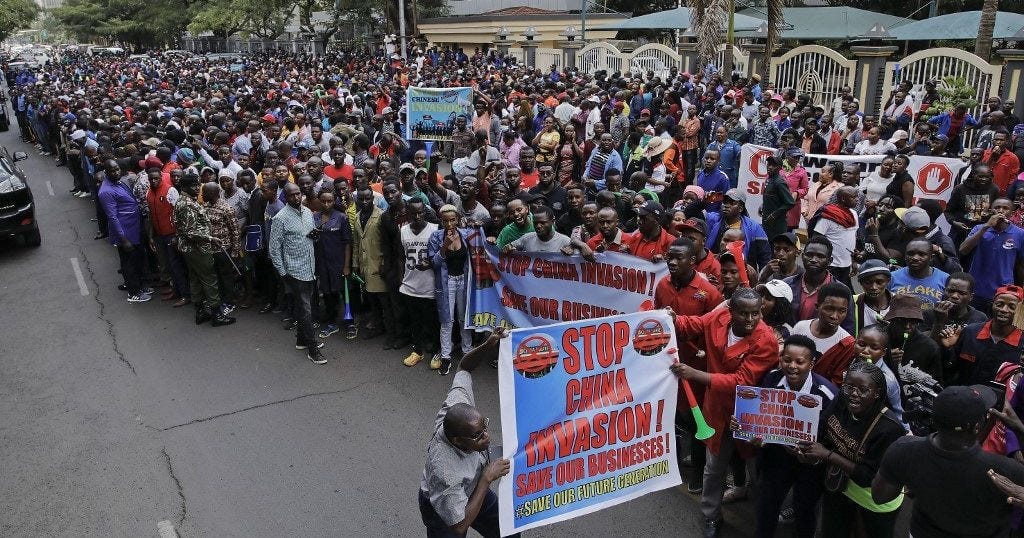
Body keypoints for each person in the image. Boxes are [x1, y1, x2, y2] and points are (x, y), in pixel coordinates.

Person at [669, 287, 778, 537]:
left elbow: (742, 379)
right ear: (730, 311)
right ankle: (711, 516)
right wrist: (672, 318)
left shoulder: (766, 340)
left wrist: (695, 374)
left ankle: (763, 521)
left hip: (751, 414)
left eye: (756, 314)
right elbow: (693, 324)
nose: (750, 320)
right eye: (744, 314)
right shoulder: (718, 318)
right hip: (718, 410)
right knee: (714, 468)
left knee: (757, 469)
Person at [872, 384, 1024, 538]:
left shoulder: (904, 450)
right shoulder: (1005, 471)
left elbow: (880, 496)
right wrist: (1021, 430)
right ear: (977, 426)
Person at [418, 329, 518, 538]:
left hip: (472, 487)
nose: (487, 436)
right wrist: (486, 479)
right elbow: (459, 525)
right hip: (445, 509)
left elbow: (464, 367)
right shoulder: (446, 470)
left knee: (508, 532)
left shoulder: (458, 405)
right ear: (458, 440)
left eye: (485, 427)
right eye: (478, 435)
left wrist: (489, 344)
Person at [796, 361, 905, 538]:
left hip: (873, 500)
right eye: (849, 387)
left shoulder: (890, 429)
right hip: (840, 487)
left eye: (863, 390)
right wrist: (806, 450)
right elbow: (822, 424)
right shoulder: (842, 398)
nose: (854, 395)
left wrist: (826, 454)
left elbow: (867, 477)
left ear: (877, 393)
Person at [744, 334, 837, 538]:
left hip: (810, 464)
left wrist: (814, 452)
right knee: (767, 504)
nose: (792, 366)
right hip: (776, 456)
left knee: (804, 508)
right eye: (787, 360)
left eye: (799, 361)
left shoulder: (827, 393)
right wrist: (749, 429)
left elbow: (833, 435)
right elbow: (758, 417)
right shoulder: (770, 379)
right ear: (780, 358)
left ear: (811, 363)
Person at [654, 237, 724, 491]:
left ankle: (697, 473)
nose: (671, 262)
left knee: (698, 421)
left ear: (692, 261)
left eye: (678, 258)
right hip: (667, 365)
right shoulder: (661, 285)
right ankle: (669, 463)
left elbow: (717, 330)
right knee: (672, 414)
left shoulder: (709, 292)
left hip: (697, 368)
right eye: (669, 257)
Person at [175, 173, 236, 327]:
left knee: (195, 279)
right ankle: (217, 314)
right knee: (210, 280)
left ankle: (200, 312)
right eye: (193, 185)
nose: (197, 188)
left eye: (198, 185)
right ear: (184, 187)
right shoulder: (187, 204)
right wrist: (210, 238)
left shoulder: (188, 201)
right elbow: (190, 232)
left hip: (192, 248)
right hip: (198, 248)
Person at [269, 182, 321, 361]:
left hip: (310, 267)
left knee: (305, 306)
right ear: (286, 197)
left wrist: (315, 235)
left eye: (298, 194)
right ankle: (313, 349)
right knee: (306, 309)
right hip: (294, 270)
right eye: (291, 195)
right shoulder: (280, 218)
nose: (296, 197)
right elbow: (274, 249)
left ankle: (301, 340)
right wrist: (283, 273)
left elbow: (308, 234)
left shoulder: (307, 212)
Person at [428, 205, 473, 376]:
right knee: (447, 321)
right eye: (445, 220)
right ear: (441, 221)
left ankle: (467, 353)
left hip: (463, 280)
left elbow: (480, 246)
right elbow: (435, 263)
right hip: (447, 283)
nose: (449, 224)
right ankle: (446, 357)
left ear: (458, 219)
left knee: (464, 319)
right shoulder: (435, 237)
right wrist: (444, 246)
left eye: (452, 220)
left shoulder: (467, 234)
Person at [948, 285, 1024, 385]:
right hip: (963, 395)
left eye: (1012, 307)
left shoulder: (1022, 344)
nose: (1004, 310)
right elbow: (950, 368)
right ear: (992, 305)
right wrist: (948, 348)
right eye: (999, 304)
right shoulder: (970, 332)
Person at [98, 159, 150, 303]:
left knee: (138, 259)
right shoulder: (106, 192)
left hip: (135, 227)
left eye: (117, 169)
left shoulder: (120, 182)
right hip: (125, 232)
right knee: (129, 263)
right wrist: (123, 239)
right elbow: (112, 217)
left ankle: (139, 285)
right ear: (106, 172)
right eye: (112, 171)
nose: (116, 172)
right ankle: (133, 293)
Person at [960, 197, 1024, 313]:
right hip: (976, 289)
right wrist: (986, 227)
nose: (1000, 211)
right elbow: (963, 250)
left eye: (1005, 208)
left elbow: (1021, 265)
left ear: (1012, 213)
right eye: (997, 207)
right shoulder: (979, 228)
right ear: (990, 211)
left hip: (1003, 291)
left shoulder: (1020, 234)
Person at [399, 199, 440, 369]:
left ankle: (437, 351)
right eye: (413, 213)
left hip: (430, 285)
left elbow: (442, 256)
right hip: (410, 285)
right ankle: (417, 351)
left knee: (433, 322)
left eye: (420, 212)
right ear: (407, 213)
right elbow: (400, 256)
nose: (417, 216)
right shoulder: (402, 231)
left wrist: (431, 264)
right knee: (415, 321)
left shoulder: (435, 229)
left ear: (425, 211)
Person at [791, 282, 855, 386]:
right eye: (829, 309)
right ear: (817, 307)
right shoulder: (800, 327)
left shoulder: (847, 344)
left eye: (842, 311)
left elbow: (837, 382)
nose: (835, 316)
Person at [312, 190, 353, 340]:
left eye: (330, 201)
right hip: (322, 263)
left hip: (338, 262)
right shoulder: (314, 217)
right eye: (323, 201)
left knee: (342, 292)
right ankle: (331, 323)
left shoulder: (341, 217)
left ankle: (350, 323)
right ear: (319, 201)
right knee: (327, 293)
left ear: (334, 201)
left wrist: (346, 265)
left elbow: (347, 243)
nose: (327, 204)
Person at [810, 186, 859, 287]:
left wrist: (854, 261)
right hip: (830, 266)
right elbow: (816, 240)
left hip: (846, 265)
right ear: (843, 199)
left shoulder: (853, 214)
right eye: (853, 197)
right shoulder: (828, 216)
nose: (857, 200)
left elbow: (854, 237)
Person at [889, 237, 949, 307]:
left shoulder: (945, 279)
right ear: (905, 255)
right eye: (910, 254)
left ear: (931, 257)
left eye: (921, 254)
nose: (915, 258)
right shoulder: (891, 277)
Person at [851, 259, 892, 335]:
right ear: (861, 283)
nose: (873, 287)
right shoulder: (852, 302)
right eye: (868, 282)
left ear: (888, 281)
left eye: (879, 282)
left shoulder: (899, 302)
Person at [760, 155, 796, 240]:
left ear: (780, 168)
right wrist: (763, 205)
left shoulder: (779, 182)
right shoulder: (770, 179)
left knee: (774, 247)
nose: (770, 167)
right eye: (769, 164)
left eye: (773, 165)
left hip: (776, 224)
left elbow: (790, 203)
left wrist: (774, 215)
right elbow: (773, 197)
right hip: (767, 221)